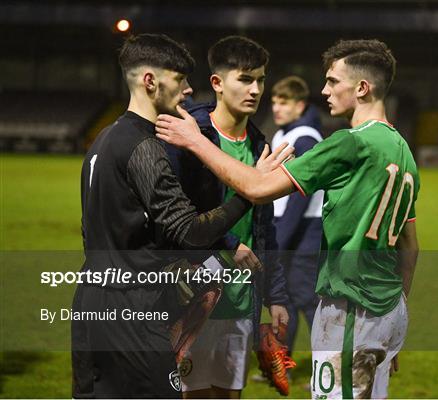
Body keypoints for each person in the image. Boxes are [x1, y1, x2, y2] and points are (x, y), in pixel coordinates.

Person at [157, 38, 420, 399]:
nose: (323, 91)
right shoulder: (402, 149)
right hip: (387, 307)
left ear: (361, 88)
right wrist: (395, 318)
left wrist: (194, 140)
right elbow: (411, 245)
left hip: (351, 309)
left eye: (332, 81)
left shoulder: (349, 143)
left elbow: (258, 187)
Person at [73, 33, 284, 398]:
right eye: (180, 79)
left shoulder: (103, 140)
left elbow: (89, 228)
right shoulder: (145, 147)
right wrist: (250, 194)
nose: (188, 90)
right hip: (133, 308)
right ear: (150, 81)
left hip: (91, 302)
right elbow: (189, 231)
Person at [164, 36, 289, 399]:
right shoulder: (190, 135)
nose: (255, 89)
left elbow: (266, 227)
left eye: (261, 80)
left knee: (228, 395)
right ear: (217, 83)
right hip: (193, 294)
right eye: (245, 79)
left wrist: (275, 296)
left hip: (240, 298)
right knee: (191, 394)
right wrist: (229, 244)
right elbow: (175, 215)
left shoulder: (258, 143)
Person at [270, 76, 323, 354]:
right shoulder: (285, 134)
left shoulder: (306, 139)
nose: (277, 108)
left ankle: (328, 369)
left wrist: (277, 241)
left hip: (305, 231)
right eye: (274, 102)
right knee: (286, 298)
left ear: (300, 105)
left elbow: (299, 199)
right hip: (287, 227)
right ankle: (283, 363)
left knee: (308, 300)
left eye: (284, 102)